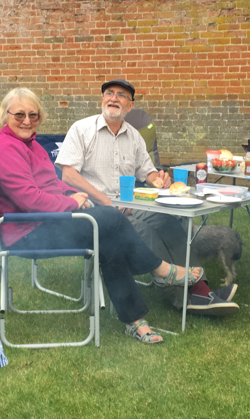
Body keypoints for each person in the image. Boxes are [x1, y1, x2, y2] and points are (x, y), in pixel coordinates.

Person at [0, 87, 204, 344]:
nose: (27, 121)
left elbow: (55, 184)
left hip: (44, 221)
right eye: (19, 114)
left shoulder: (30, 145)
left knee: (108, 237)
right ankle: (161, 270)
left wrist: (72, 195)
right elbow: (29, 199)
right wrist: (69, 202)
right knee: (111, 218)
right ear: (4, 115)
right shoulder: (5, 149)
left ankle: (135, 321)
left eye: (33, 115)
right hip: (25, 231)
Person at [55, 79, 239, 316]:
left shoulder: (133, 136)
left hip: (128, 203)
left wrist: (158, 179)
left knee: (168, 222)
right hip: (95, 209)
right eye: (109, 93)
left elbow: (147, 171)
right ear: (101, 100)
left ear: (129, 106)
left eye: (121, 95)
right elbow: (68, 174)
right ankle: (185, 298)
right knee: (145, 231)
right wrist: (106, 202)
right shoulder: (81, 130)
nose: (113, 98)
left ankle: (201, 287)